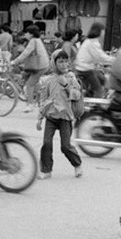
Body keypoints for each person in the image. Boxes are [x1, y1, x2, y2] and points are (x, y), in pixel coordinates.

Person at [36, 49, 83, 179]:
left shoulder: (71, 77)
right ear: (54, 63)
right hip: (51, 116)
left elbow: (76, 95)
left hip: (65, 117)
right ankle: (46, 170)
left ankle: (77, 164)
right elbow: (43, 99)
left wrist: (67, 86)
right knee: (46, 143)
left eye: (65, 61)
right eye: (60, 62)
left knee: (65, 146)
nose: (63, 64)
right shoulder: (48, 79)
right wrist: (40, 118)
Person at [10, 25, 49, 112]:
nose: (25, 34)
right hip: (42, 65)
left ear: (31, 34)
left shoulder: (33, 41)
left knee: (29, 84)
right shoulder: (37, 40)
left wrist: (14, 62)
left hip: (39, 66)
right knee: (31, 80)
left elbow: (25, 53)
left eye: (27, 33)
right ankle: (40, 97)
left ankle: (30, 105)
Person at [74, 22, 112, 98]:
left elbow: (98, 56)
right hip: (85, 69)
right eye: (103, 31)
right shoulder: (93, 42)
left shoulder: (91, 41)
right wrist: (115, 60)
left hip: (85, 67)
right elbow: (100, 57)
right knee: (99, 89)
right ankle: (97, 106)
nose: (104, 33)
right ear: (99, 31)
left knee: (104, 80)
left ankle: (92, 94)